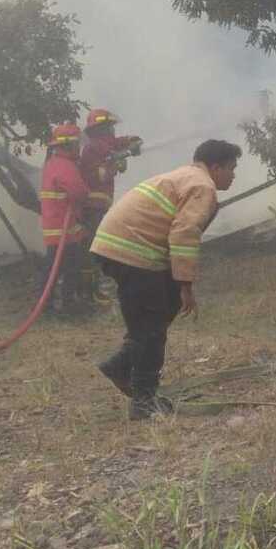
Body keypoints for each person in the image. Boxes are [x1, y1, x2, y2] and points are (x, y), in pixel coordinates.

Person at [89, 139, 241, 419]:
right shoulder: (202, 186)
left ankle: (120, 367)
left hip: (118, 248)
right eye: (231, 169)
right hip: (134, 252)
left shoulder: (185, 176)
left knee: (154, 318)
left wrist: (176, 288)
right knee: (152, 328)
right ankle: (143, 403)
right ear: (216, 167)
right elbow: (184, 234)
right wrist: (185, 285)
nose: (233, 175)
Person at [77, 108, 143, 303]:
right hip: (92, 208)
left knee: (97, 247)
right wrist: (116, 162)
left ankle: (93, 290)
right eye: (109, 127)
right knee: (92, 249)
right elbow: (99, 175)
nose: (112, 131)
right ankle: (89, 293)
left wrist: (133, 141)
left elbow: (120, 143)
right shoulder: (92, 149)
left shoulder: (103, 144)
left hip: (100, 207)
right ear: (100, 129)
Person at [40, 123, 91, 315]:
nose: (78, 148)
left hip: (60, 225)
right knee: (67, 267)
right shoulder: (64, 165)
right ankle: (64, 305)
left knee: (57, 267)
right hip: (62, 228)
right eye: (76, 144)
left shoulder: (54, 162)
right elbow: (79, 192)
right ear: (68, 145)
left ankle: (51, 305)